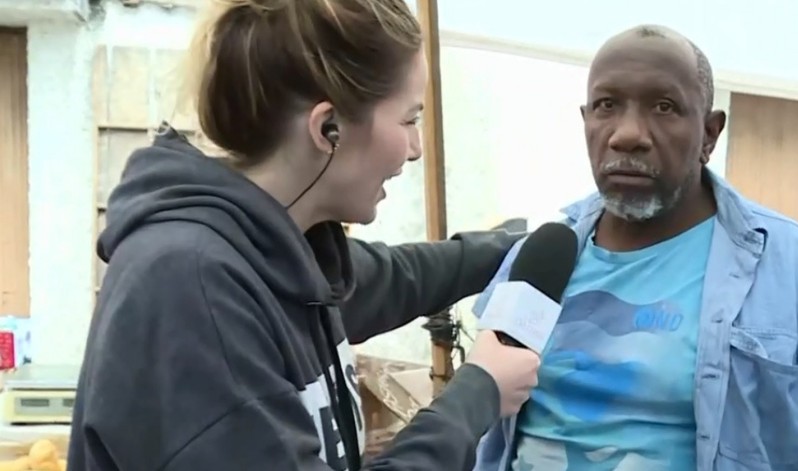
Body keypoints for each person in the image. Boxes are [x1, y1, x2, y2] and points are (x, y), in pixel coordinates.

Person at [67, 0, 541, 470]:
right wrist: (478, 393)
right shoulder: (190, 290)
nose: (415, 149)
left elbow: (397, 277)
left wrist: (527, 247)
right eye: (409, 119)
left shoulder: (280, 253)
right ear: (327, 128)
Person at [472, 25, 798, 471]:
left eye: (664, 107)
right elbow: (487, 434)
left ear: (709, 134)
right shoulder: (540, 260)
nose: (627, 134)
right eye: (606, 105)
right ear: (586, 120)